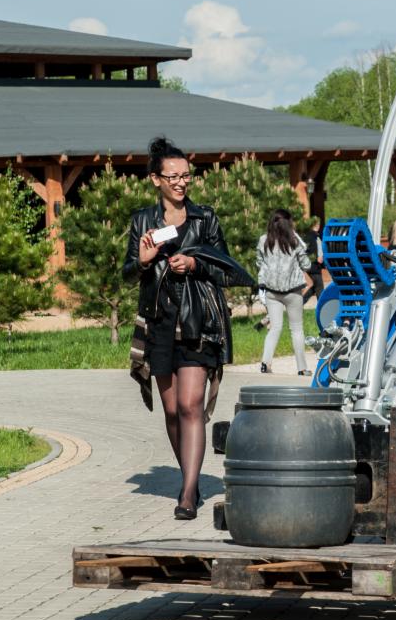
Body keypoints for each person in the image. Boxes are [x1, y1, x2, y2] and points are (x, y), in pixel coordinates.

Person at [124, 137, 249, 521]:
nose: (181, 182)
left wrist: (195, 265)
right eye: (173, 176)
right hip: (160, 323)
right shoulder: (143, 222)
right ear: (155, 180)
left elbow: (226, 269)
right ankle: (188, 474)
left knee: (191, 404)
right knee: (172, 410)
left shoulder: (205, 218)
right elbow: (128, 274)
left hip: (199, 322)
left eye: (186, 175)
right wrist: (144, 261)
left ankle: (189, 492)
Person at [256, 209, 312, 376]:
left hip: (272, 291)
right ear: (289, 224)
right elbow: (307, 265)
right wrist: (298, 239)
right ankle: (302, 368)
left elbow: (259, 262)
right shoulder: (294, 241)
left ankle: (266, 363)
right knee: (296, 329)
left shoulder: (263, 240)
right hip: (293, 291)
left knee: (275, 328)